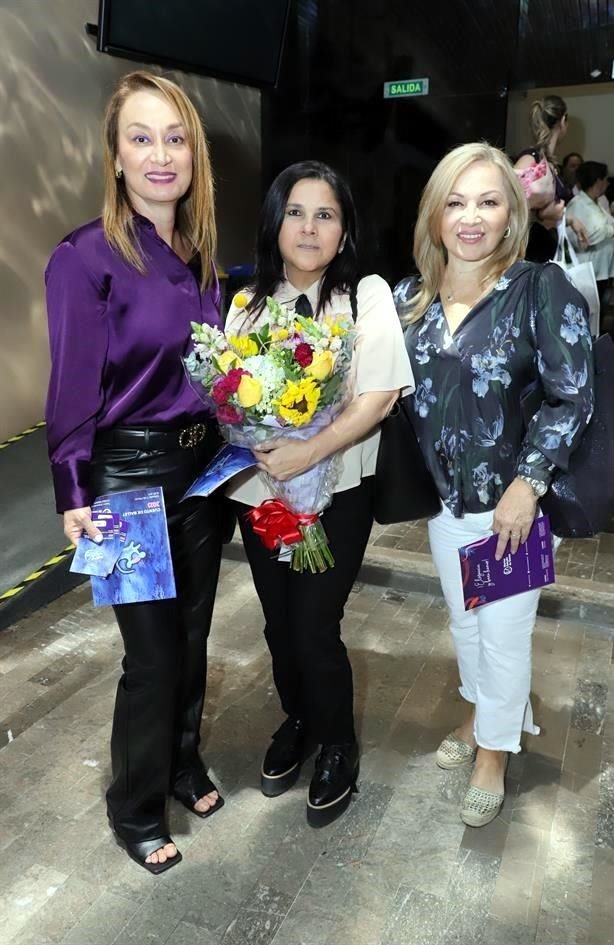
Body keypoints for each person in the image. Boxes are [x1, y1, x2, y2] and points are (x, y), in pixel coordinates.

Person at [45, 72, 226, 873]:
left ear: (195, 154)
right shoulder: (85, 257)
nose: (161, 155)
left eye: (175, 138)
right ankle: (134, 802)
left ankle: (182, 763)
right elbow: (71, 386)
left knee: (192, 638)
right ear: (114, 156)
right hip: (123, 480)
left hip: (198, 470)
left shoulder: (202, 254)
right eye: (141, 138)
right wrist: (73, 491)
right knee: (149, 656)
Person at [400, 142, 594, 827]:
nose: (471, 217)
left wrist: (529, 482)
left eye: (487, 201)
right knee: (465, 624)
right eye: (456, 202)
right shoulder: (409, 300)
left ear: (511, 212)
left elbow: (574, 395)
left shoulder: (537, 289)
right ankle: (485, 710)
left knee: (504, 632)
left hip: (512, 508)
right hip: (445, 504)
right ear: (435, 214)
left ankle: (493, 751)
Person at [225, 160, 414, 828]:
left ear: (344, 228)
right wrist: (254, 440)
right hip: (263, 495)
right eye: (296, 212)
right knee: (278, 621)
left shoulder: (365, 295)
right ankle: (299, 717)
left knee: (314, 622)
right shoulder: (246, 302)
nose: (309, 227)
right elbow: (229, 393)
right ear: (275, 221)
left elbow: (380, 396)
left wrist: (308, 449)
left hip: (338, 492)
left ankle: (338, 741)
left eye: (325, 214)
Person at [514, 95, 587, 260]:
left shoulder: (548, 161)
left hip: (542, 250)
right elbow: (508, 204)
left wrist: (570, 219)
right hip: (528, 253)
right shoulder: (532, 158)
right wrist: (542, 216)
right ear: (563, 121)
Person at [566, 161, 614, 309]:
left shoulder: (597, 204)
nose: (608, 183)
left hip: (602, 270)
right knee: (589, 315)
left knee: (600, 314)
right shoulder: (578, 204)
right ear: (598, 181)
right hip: (589, 272)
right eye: (606, 179)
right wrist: (612, 230)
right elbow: (583, 237)